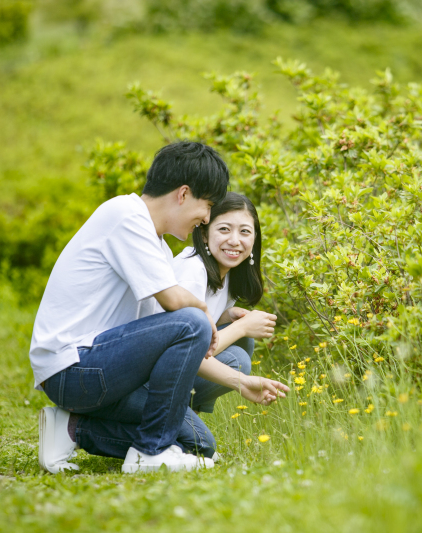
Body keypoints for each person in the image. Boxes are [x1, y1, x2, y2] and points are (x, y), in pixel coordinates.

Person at [30, 141, 289, 474]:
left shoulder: (158, 247)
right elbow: (175, 307)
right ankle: (150, 451)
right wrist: (206, 314)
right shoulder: (125, 216)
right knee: (192, 322)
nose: (206, 218)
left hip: (105, 370)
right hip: (73, 370)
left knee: (200, 446)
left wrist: (240, 378)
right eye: (207, 206)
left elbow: (162, 336)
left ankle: (71, 428)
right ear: (183, 194)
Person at [153, 192, 278, 458]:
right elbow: (184, 348)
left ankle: (189, 412)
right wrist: (243, 328)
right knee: (202, 446)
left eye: (245, 231)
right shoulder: (192, 270)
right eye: (224, 229)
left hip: (173, 366)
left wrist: (226, 316)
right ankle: (83, 428)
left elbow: (198, 328)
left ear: (254, 239)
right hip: (150, 377)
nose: (235, 240)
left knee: (242, 339)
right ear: (204, 233)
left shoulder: (227, 273)